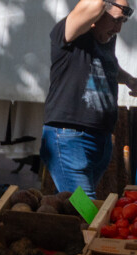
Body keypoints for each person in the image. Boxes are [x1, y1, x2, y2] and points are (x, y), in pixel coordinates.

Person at [42, 0, 137, 198]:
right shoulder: (70, 32)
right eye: (116, 21)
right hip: (68, 137)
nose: (118, 29)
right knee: (84, 209)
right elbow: (93, 4)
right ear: (98, 14)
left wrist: (129, 80)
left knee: (75, 211)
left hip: (99, 139)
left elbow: (109, 66)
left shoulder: (106, 40)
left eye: (123, 22)